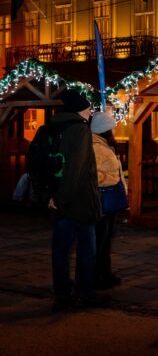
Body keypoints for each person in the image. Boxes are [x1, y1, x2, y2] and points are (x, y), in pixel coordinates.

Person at [49, 90, 108, 311]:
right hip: (79, 201)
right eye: (88, 108)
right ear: (80, 109)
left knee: (60, 250)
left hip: (57, 200)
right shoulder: (81, 130)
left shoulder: (53, 127)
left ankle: (61, 293)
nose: (90, 112)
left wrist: (51, 197)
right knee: (86, 249)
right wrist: (62, 199)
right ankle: (85, 292)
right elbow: (76, 169)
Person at [91, 111, 126, 290]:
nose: (114, 131)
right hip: (102, 198)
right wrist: (111, 179)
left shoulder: (104, 145)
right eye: (112, 128)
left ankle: (105, 273)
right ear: (104, 129)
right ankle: (97, 276)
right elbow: (93, 174)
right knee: (100, 239)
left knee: (106, 239)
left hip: (110, 198)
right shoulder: (96, 147)